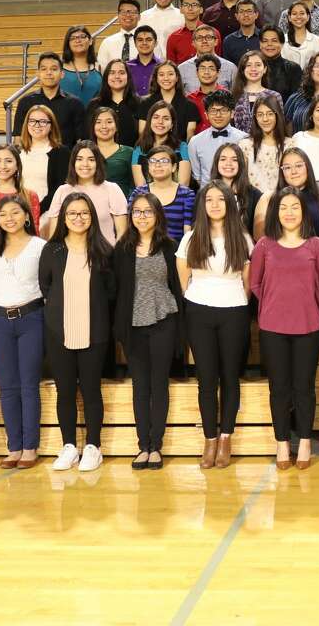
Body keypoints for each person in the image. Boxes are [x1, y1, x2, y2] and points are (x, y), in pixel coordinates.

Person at [249, 187, 319, 470]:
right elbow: (256, 284)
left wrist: (303, 304)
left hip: (308, 325)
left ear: (304, 212)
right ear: (276, 212)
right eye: (283, 207)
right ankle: (282, 442)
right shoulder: (264, 245)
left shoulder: (317, 246)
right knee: (279, 388)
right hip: (273, 327)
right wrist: (276, 304)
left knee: (304, 388)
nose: (289, 212)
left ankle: (306, 442)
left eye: (295, 207)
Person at [177, 180, 254, 469]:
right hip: (199, 310)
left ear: (229, 204)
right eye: (209, 199)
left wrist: (235, 300)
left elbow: (248, 282)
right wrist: (198, 299)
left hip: (234, 311)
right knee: (206, 380)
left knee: (229, 378)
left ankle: (225, 437)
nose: (214, 204)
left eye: (220, 199)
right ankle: (209, 438)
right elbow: (184, 279)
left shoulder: (243, 239)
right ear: (202, 204)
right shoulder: (191, 238)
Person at [40, 191, 116, 472]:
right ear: (64, 217)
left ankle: (93, 446)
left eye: (84, 213)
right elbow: (45, 286)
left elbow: (110, 292)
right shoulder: (52, 250)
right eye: (72, 213)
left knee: (91, 390)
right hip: (59, 331)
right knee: (65, 391)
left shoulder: (104, 250)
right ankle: (69, 446)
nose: (78, 218)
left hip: (94, 332)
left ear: (92, 217)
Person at [113, 193, 182, 470]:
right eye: (137, 212)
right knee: (140, 386)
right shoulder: (122, 249)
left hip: (164, 320)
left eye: (148, 212)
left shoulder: (169, 246)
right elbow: (115, 291)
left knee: (159, 384)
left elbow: (177, 285)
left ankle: (157, 446)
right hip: (133, 326)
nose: (142, 217)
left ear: (158, 216)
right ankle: (143, 446)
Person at [0, 196, 46, 469]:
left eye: (15, 212)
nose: (9, 218)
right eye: (3, 214)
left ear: (27, 216)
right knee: (7, 386)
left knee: (29, 384)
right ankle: (14, 447)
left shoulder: (40, 247)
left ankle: (30, 447)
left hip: (31, 317)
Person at [40, 140, 129, 244]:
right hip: (70, 256)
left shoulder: (112, 189)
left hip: (105, 256)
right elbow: (54, 236)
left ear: (98, 162)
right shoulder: (62, 191)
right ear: (73, 163)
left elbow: (122, 233)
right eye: (79, 159)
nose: (85, 164)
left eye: (91, 159)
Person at [257, 147, 319, 238]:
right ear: (282, 172)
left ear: (307, 167)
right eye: (287, 167)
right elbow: (259, 236)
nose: (294, 172)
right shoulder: (267, 199)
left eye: (299, 166)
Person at [13, 52, 85, 147]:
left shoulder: (75, 103)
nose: (49, 73)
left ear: (62, 74)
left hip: (65, 159)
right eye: (44, 69)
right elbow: (18, 138)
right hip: (33, 158)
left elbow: (81, 140)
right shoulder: (25, 102)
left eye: (54, 69)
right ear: (38, 74)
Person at [130, 145, 196, 241]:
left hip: (176, 250)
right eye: (152, 161)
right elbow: (130, 227)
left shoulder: (187, 194)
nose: (157, 165)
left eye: (164, 161)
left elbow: (188, 231)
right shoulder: (138, 193)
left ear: (174, 167)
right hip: (143, 249)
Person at [18, 104, 72, 212]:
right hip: (20, 211)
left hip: (49, 212)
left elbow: (60, 188)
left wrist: (37, 210)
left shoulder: (61, 152)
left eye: (43, 121)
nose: (37, 125)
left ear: (51, 125)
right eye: (32, 121)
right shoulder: (17, 152)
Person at [188, 91, 246, 186]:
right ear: (206, 114)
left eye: (223, 110)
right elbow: (197, 177)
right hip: (207, 196)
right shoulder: (195, 142)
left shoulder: (244, 139)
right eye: (213, 111)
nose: (218, 115)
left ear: (232, 113)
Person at [238, 90, 289, 195]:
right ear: (255, 117)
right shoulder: (245, 145)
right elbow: (241, 180)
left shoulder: (289, 145)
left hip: (281, 202)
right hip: (253, 202)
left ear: (277, 115)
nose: (265, 119)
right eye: (260, 114)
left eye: (270, 114)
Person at [137, 60, 201, 143]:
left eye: (170, 74)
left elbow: (190, 137)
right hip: (150, 151)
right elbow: (142, 133)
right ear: (156, 78)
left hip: (179, 152)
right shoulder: (145, 103)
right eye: (161, 75)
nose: (166, 78)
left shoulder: (190, 106)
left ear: (177, 77)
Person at [132, 101, 193, 187]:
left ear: (172, 124)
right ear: (149, 121)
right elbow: (140, 186)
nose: (160, 121)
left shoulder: (182, 147)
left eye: (166, 118)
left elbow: (183, 184)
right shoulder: (139, 148)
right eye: (156, 117)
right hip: (148, 198)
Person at [212, 142, 265, 239]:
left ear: (240, 164)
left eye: (234, 160)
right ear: (217, 163)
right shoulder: (206, 192)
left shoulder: (254, 195)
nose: (228, 163)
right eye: (223, 159)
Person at [84, 58, 139, 148]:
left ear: (128, 77)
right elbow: (88, 136)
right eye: (112, 73)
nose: (117, 76)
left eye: (121, 73)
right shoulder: (94, 105)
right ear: (106, 77)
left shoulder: (139, 104)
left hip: (133, 158)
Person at [88, 107, 134, 199]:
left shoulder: (129, 152)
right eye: (98, 122)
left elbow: (134, 186)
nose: (104, 126)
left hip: (122, 206)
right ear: (93, 127)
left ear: (116, 127)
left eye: (109, 122)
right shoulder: (85, 152)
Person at [165, 0, 221, 67]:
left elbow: (218, 60)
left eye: (194, 5)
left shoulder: (213, 33)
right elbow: (171, 67)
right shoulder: (173, 37)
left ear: (201, 10)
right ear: (181, 9)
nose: (190, 8)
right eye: (186, 5)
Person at [177, 26, 238, 91]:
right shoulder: (182, 69)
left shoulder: (230, 68)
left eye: (208, 37)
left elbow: (236, 96)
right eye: (199, 38)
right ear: (193, 43)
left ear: (216, 42)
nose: (204, 41)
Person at [228, 50, 277, 131]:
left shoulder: (274, 96)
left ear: (265, 69)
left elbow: (278, 125)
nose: (253, 69)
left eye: (258, 65)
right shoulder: (232, 95)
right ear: (242, 70)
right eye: (248, 65)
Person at [59, 26, 103, 105]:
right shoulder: (59, 68)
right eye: (73, 38)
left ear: (90, 41)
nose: (78, 40)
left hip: (93, 115)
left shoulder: (99, 67)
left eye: (82, 37)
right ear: (68, 44)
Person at [256, 27, 303, 99]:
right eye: (265, 41)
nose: (269, 44)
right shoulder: (252, 68)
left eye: (274, 41)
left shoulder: (293, 68)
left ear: (282, 44)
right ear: (260, 44)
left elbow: (295, 100)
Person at [96, 0, 142, 71]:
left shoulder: (147, 42)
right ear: (118, 16)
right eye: (123, 12)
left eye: (132, 12)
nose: (128, 15)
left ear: (139, 17)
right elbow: (102, 70)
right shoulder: (107, 42)